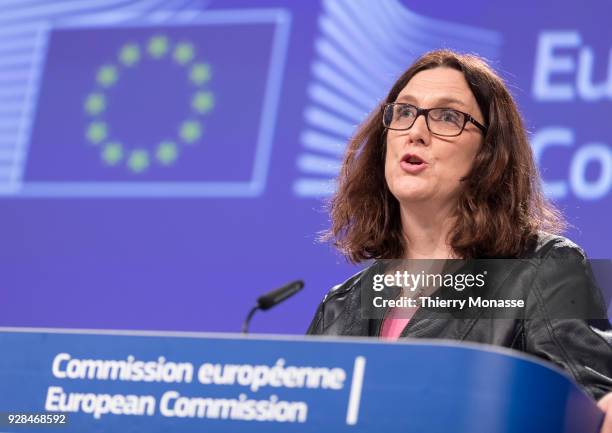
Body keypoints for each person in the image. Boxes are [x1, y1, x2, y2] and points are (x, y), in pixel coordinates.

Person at [306, 49, 612, 431]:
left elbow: (594, 412)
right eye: (403, 112)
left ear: (489, 154)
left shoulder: (543, 270)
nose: (415, 132)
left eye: (447, 117)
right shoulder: (340, 307)